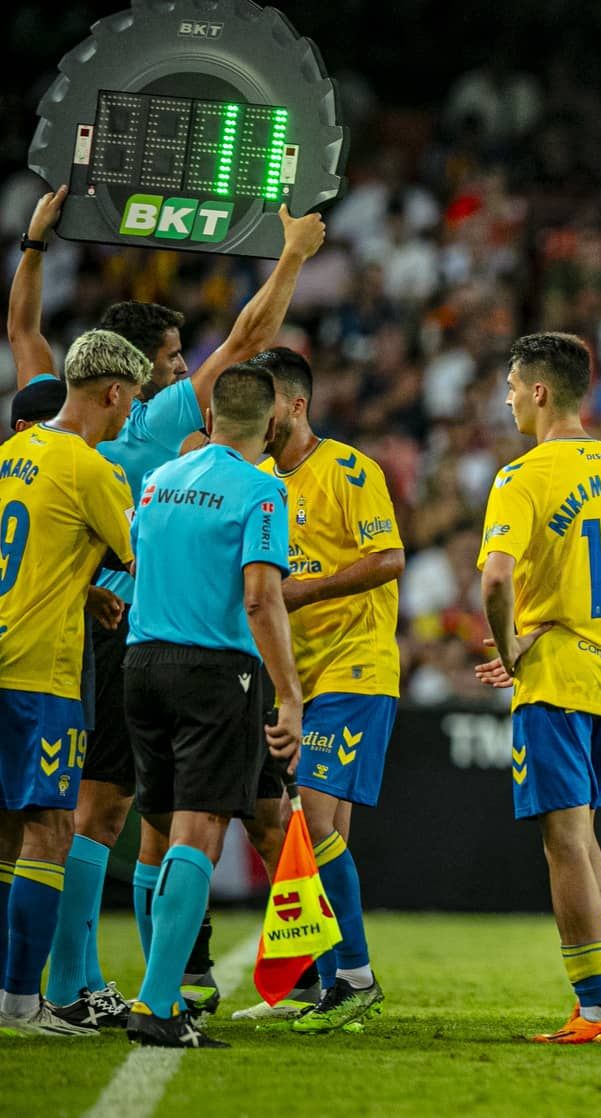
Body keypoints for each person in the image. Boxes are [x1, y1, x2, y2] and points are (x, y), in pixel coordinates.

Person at [7, 187, 326, 1026]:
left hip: (90, 633)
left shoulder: (48, 418)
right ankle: (78, 988)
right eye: (177, 357)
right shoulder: (150, 424)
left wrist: (35, 247)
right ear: (133, 376)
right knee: (110, 813)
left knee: (81, 816)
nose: (189, 368)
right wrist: (292, 253)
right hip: (139, 637)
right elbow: (253, 339)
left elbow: (23, 336)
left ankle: (75, 984)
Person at [473, 332, 601, 1044]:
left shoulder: (525, 476)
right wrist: (543, 625)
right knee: (584, 836)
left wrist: (514, 640)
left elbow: (494, 576)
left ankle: (597, 1011)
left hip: (559, 679)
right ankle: (600, 1001)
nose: (508, 398)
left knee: (564, 842)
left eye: (513, 385)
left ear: (541, 391)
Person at [123, 364, 301, 1049]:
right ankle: (159, 1002)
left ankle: (160, 985)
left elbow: (139, 560)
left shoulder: (162, 477)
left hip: (142, 665)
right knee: (199, 834)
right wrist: (289, 693)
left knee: (158, 832)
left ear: (214, 413)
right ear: (274, 422)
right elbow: (260, 597)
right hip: (212, 670)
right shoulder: (262, 490)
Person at [227, 347, 404, 1032]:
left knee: (316, 822)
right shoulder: (259, 477)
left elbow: (390, 557)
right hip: (291, 675)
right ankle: (320, 983)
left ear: (295, 405)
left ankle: (354, 980)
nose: (255, 419)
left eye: (265, 404)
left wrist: (305, 590)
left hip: (354, 667)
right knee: (309, 829)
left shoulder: (350, 470)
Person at [0, 330, 147, 1036]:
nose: (127, 421)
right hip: (42, 673)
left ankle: (7, 997)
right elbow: (143, 558)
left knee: (5, 837)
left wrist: (83, 588)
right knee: (50, 830)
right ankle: (24, 1004)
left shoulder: (10, 455)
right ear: (112, 393)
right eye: (129, 405)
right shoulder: (93, 469)